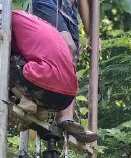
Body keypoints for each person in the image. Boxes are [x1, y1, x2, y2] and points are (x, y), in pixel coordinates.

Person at [0, 2, 96, 142]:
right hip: (66, 97)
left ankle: (25, 99)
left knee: (0, 59)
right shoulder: (29, 20)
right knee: (17, 60)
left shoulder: (5, 19)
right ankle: (40, 108)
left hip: (46, 80)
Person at [30, 0, 97, 141]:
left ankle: (65, 118)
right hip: (49, 2)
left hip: (70, 10)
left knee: (72, 57)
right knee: (67, 46)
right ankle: (38, 98)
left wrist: (92, 33)